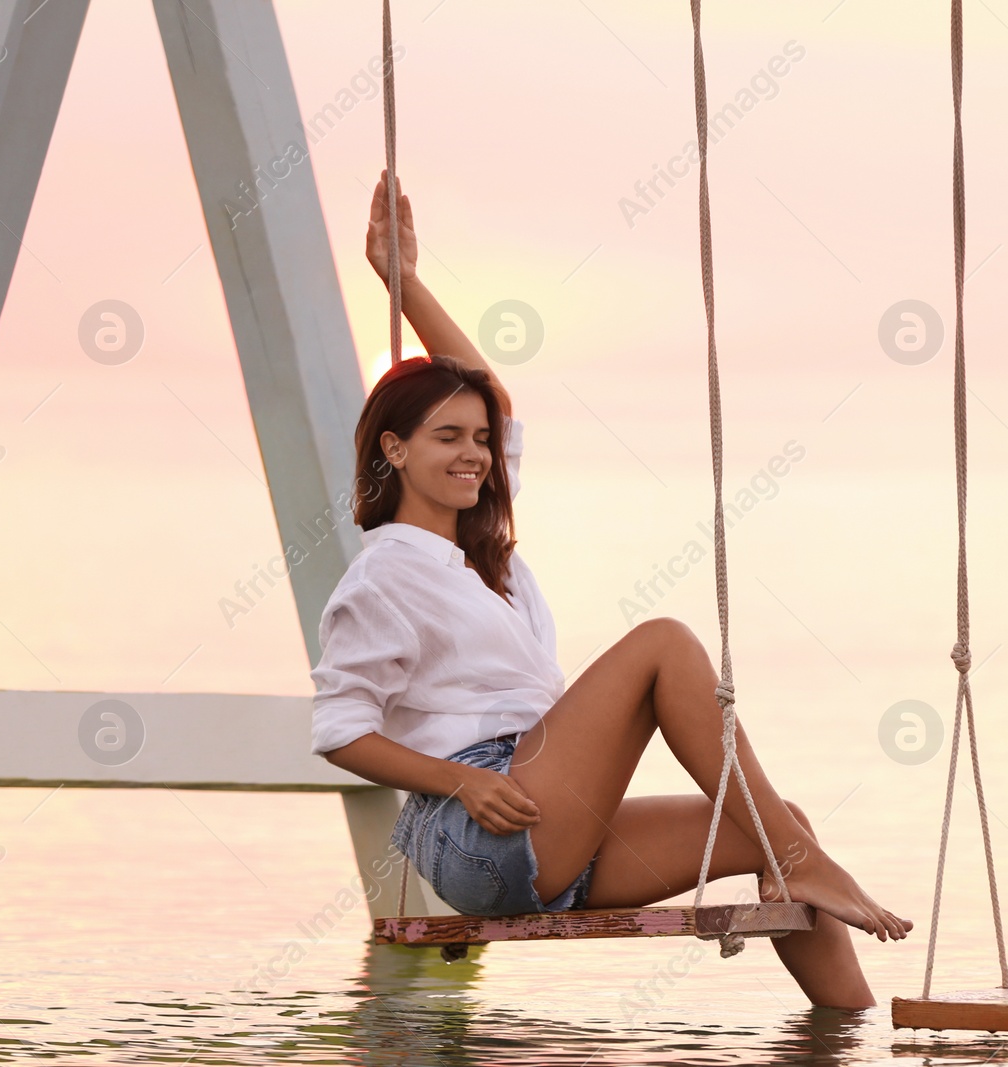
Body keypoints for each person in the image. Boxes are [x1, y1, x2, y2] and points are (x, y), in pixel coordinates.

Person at [310, 170, 912, 1009]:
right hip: (477, 824)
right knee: (664, 643)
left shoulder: (489, 560)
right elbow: (340, 730)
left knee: (781, 824)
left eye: (479, 439)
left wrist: (404, 281)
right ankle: (805, 865)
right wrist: (462, 781)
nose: (474, 453)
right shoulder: (385, 569)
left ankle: (853, 1033)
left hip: (551, 820)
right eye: (446, 436)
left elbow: (499, 402)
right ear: (394, 450)